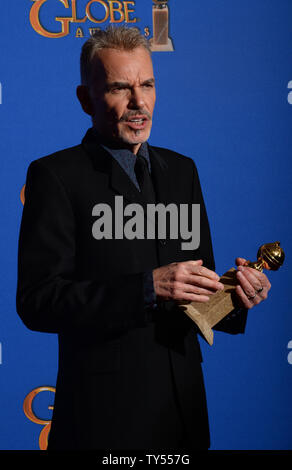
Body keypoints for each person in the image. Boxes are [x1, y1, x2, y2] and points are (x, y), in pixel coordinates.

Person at [16, 26, 271, 451]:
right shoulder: (56, 177)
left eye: (147, 84)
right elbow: (37, 302)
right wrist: (146, 288)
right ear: (86, 99)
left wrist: (236, 293)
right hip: (103, 421)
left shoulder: (183, 171)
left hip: (183, 415)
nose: (139, 103)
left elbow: (200, 295)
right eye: (120, 87)